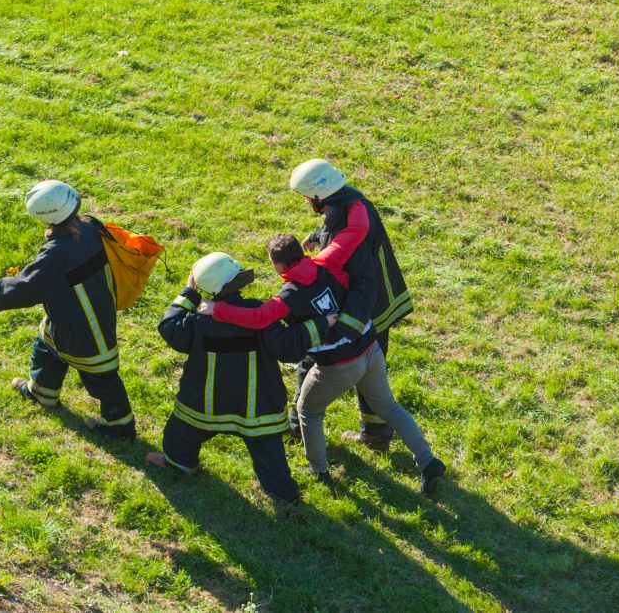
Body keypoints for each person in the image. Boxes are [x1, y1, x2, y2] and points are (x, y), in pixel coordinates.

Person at [203, 235, 445, 494]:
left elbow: (260, 317)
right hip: (369, 348)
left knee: (308, 411)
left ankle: (318, 470)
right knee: (389, 407)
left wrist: (217, 310)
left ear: (280, 267)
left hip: (338, 365)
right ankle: (428, 462)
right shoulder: (326, 265)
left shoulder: (288, 296)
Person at [146, 252, 335, 503]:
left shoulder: (197, 319)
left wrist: (189, 294)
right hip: (257, 409)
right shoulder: (259, 314)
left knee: (180, 434)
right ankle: (284, 494)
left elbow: (169, 329)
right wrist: (320, 325)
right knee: (269, 452)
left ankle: (179, 463)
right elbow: (287, 346)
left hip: (203, 405)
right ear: (238, 281)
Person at [0, 179, 136, 439]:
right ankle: (42, 392)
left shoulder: (56, 254)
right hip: (69, 314)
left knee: (101, 377)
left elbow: (24, 288)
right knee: (46, 348)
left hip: (88, 329)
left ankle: (119, 425)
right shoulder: (90, 227)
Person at [292, 159, 415, 452]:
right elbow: (333, 228)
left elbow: (359, 280)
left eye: (309, 197)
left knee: (314, 359)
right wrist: (315, 236)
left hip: (367, 309)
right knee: (372, 372)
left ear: (321, 194)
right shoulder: (353, 202)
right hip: (382, 302)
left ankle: (297, 427)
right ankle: (375, 434)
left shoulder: (348, 223)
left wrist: (347, 325)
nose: (307, 202)